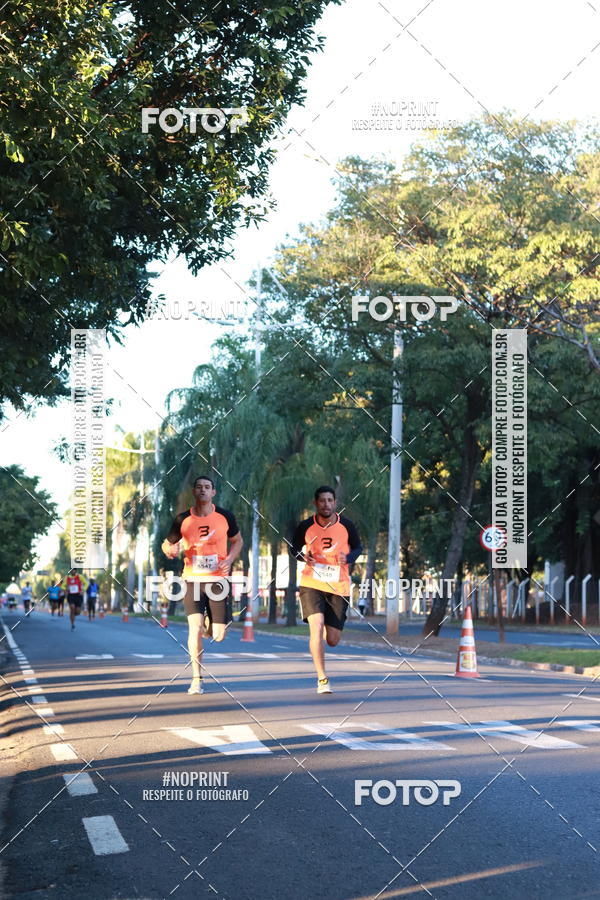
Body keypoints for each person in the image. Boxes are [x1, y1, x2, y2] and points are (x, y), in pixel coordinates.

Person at [162, 475, 243, 695]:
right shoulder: (182, 519)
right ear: (194, 492)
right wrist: (169, 550)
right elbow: (166, 544)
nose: (203, 491)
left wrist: (229, 559)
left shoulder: (225, 516)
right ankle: (197, 679)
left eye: (207, 487)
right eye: (199, 487)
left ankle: (212, 621)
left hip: (218, 580)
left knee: (218, 635)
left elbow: (238, 541)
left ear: (213, 492)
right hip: (192, 579)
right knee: (194, 628)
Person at [291, 485, 362, 694]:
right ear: (316, 503)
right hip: (312, 583)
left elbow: (358, 547)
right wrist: (302, 557)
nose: (326, 504)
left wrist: (347, 558)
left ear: (335, 502)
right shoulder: (305, 526)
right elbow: (293, 548)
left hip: (338, 586)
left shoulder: (346, 525)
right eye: (322, 500)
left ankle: (321, 643)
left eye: (330, 500)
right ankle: (322, 678)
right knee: (317, 625)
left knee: (332, 640)